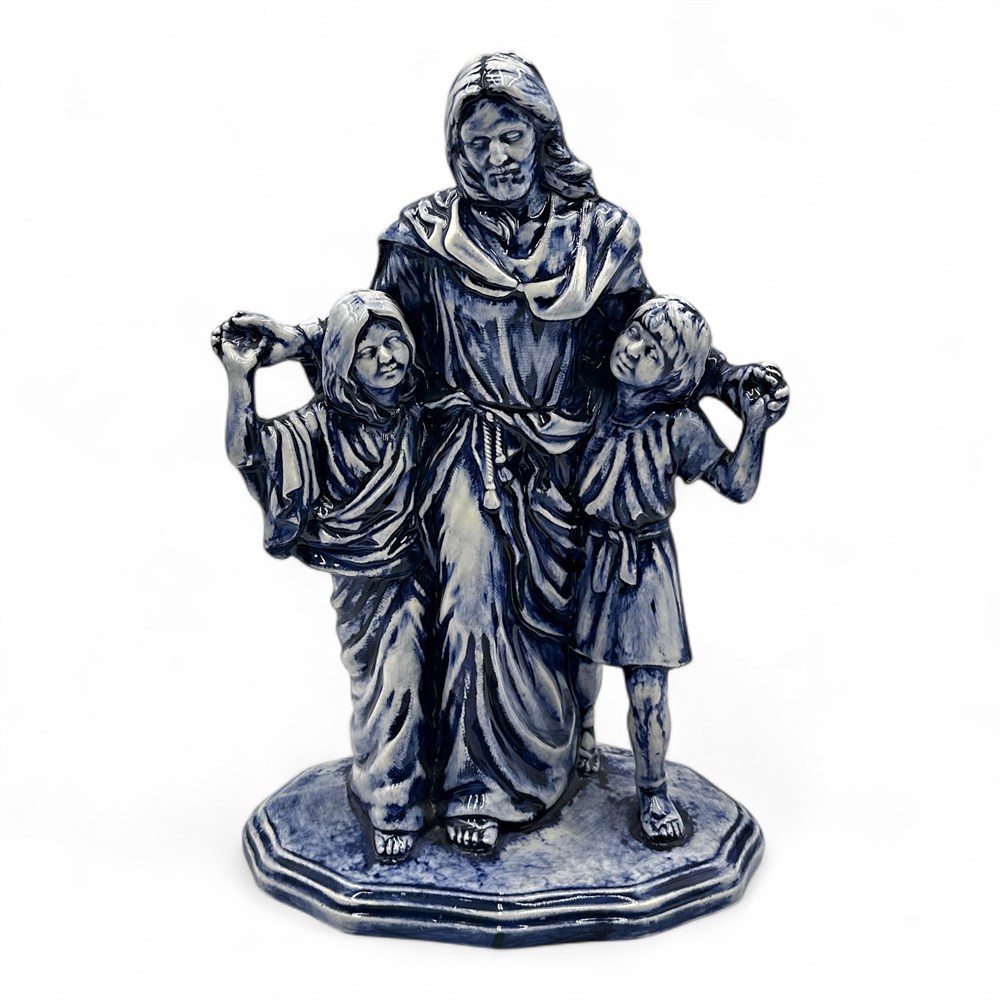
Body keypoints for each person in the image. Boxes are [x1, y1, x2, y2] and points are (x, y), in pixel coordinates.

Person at [222, 53, 770, 852]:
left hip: (575, 457)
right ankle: (476, 786)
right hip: (468, 454)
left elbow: (651, 329)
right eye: (475, 144)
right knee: (474, 599)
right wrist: (295, 341)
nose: (495, 158)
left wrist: (728, 381)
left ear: (542, 133)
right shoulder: (426, 238)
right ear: (455, 152)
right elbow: (379, 327)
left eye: (510, 136)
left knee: (564, 625)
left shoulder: (600, 237)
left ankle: (561, 764)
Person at [213, 290, 430, 862]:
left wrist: (294, 339)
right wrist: (240, 379)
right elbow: (248, 454)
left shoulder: (421, 409)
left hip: (424, 572)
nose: (387, 358)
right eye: (367, 352)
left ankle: (428, 789)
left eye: (394, 342)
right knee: (390, 685)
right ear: (343, 364)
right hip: (367, 584)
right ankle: (390, 801)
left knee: (435, 681)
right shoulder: (321, 426)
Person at [572, 297, 788, 844]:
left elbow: (736, 484)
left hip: (645, 569)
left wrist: (755, 427)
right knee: (578, 667)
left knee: (647, 691)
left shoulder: (679, 425)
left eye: (654, 351)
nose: (632, 350)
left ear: (675, 374)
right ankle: (583, 739)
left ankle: (653, 791)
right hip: (588, 553)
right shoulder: (593, 399)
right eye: (635, 333)